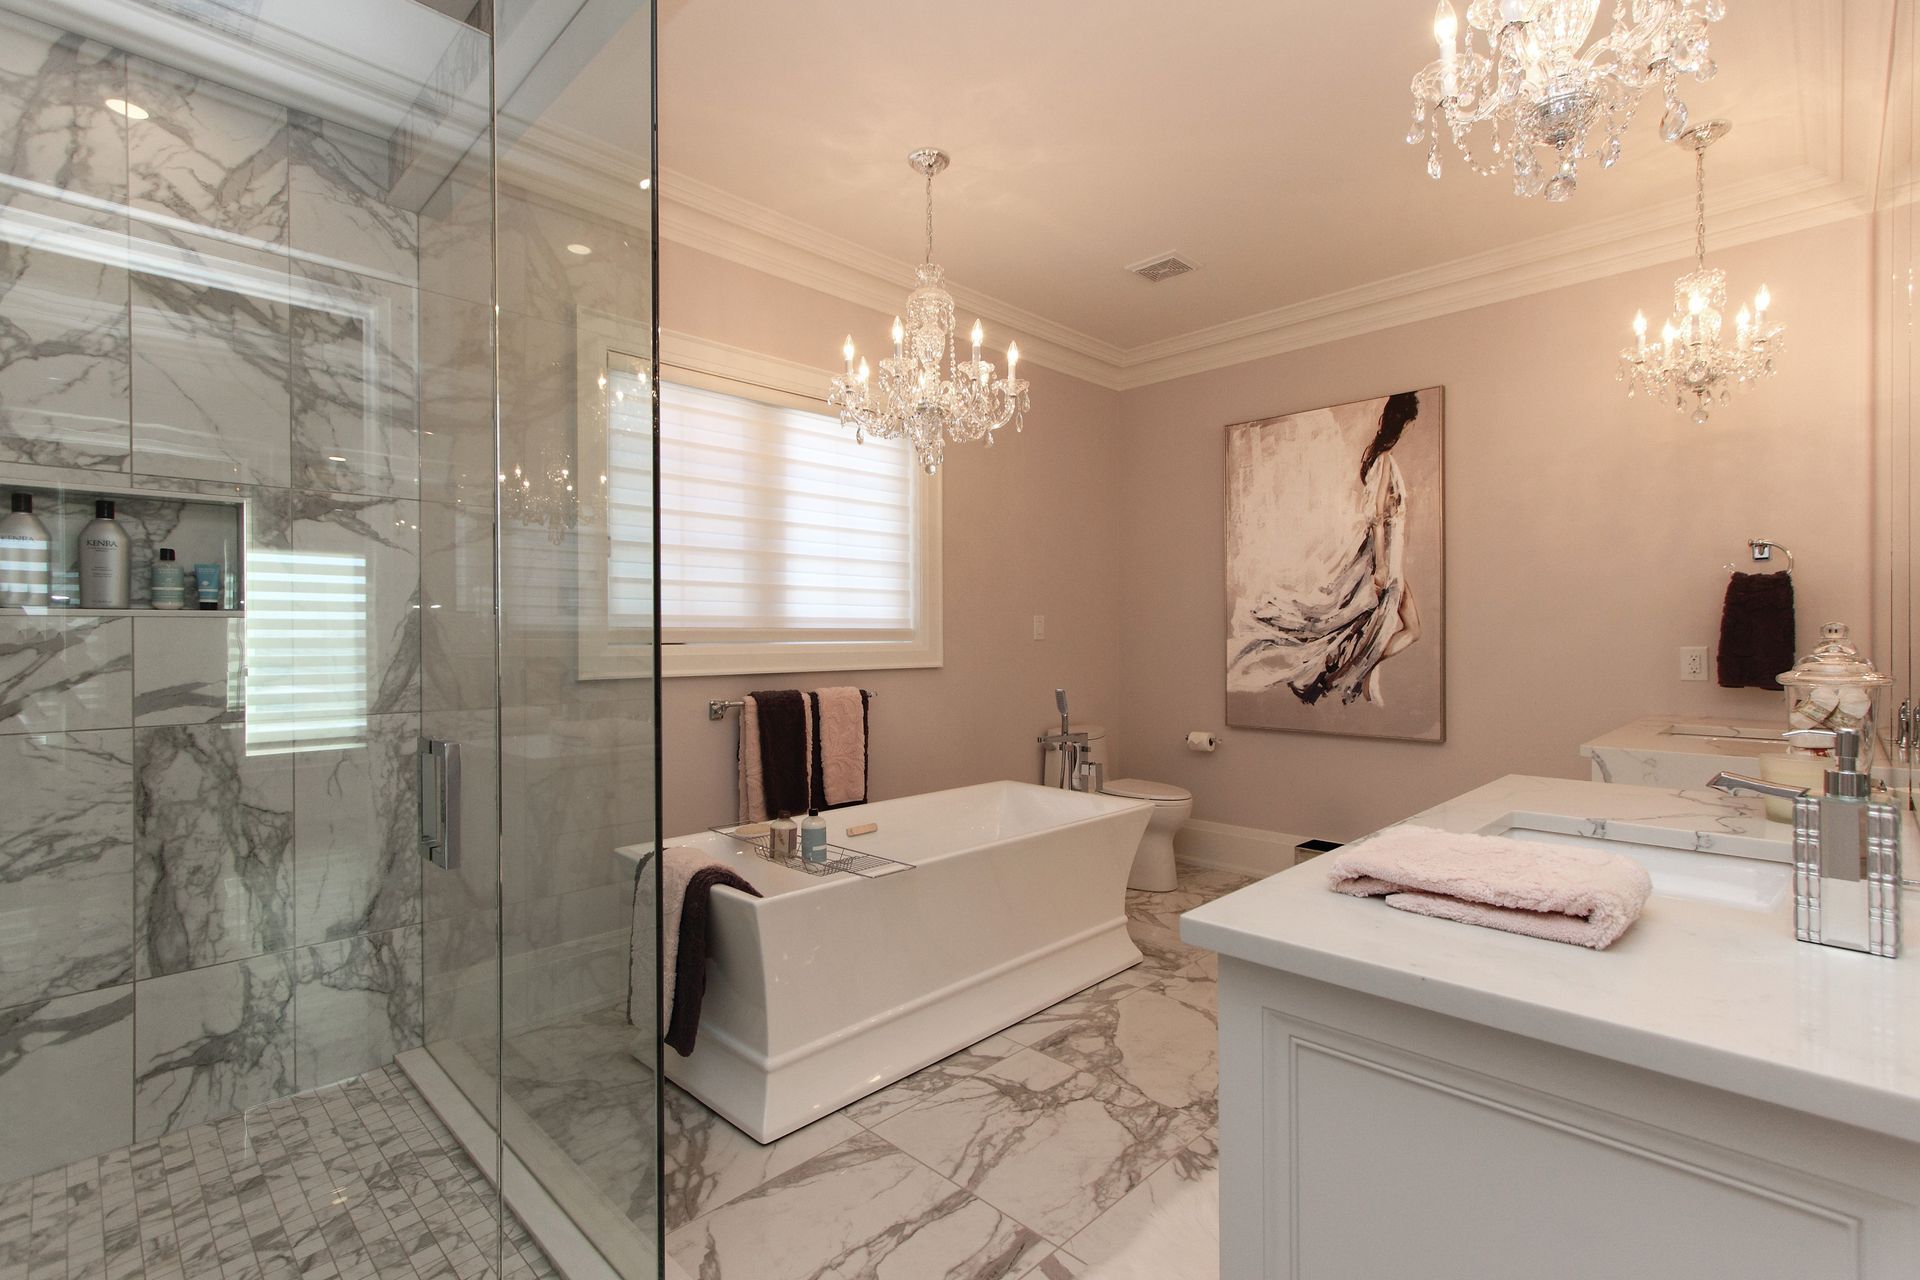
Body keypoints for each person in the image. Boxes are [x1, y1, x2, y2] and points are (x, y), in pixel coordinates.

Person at [1227, 390, 1423, 707]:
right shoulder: (1383, 460)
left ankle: (1348, 673)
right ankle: (1347, 674)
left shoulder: (1380, 458)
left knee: (1400, 629)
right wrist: (1383, 566)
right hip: (1388, 560)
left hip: (1392, 558)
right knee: (1387, 628)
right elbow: (1374, 517)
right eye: (1410, 423)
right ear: (1403, 423)